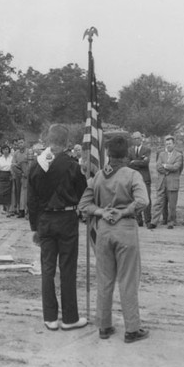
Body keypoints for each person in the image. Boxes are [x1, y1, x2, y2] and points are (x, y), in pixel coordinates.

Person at [79, 133, 149, 342]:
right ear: (126, 153)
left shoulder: (98, 176)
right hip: (125, 229)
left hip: (103, 231)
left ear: (108, 154)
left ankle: (104, 325)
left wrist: (101, 212)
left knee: (105, 280)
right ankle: (132, 329)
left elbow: (83, 205)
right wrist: (124, 211)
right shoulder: (132, 174)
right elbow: (143, 201)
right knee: (128, 280)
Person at [27, 124, 87, 331]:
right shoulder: (72, 165)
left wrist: (34, 227)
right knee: (68, 268)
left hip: (44, 220)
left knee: (47, 268)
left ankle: (50, 317)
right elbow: (82, 194)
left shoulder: (36, 166)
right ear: (67, 142)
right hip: (67, 218)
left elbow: (31, 201)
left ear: (48, 141)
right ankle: (70, 318)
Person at [148, 135, 183, 229]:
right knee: (158, 203)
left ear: (174, 144)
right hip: (162, 182)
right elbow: (158, 167)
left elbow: (177, 167)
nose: (168, 145)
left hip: (172, 183)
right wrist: (168, 169)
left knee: (172, 204)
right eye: (166, 144)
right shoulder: (161, 154)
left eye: (170, 143)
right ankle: (153, 222)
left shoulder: (179, 155)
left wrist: (166, 166)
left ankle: (171, 222)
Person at [128, 131, 152, 227]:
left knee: (146, 199)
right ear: (132, 140)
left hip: (145, 178)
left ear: (141, 139)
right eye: (134, 138)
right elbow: (127, 163)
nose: (136, 140)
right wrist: (138, 162)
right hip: (134, 178)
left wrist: (134, 162)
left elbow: (145, 163)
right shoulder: (130, 150)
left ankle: (148, 220)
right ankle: (139, 220)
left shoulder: (147, 149)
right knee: (135, 199)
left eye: (138, 138)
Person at [0, 144, 13, 216]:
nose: (5, 151)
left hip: (9, 176)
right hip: (1, 176)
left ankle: (8, 211)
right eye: (4, 149)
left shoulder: (12, 158)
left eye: (7, 149)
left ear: (9, 150)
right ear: (2, 151)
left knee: (8, 194)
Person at [12, 138, 28, 218]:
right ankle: (20, 210)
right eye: (19, 143)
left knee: (25, 193)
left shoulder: (29, 152)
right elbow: (14, 164)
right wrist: (20, 172)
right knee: (18, 193)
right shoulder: (16, 153)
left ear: (25, 143)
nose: (20, 144)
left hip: (27, 175)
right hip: (19, 174)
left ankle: (26, 210)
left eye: (22, 142)